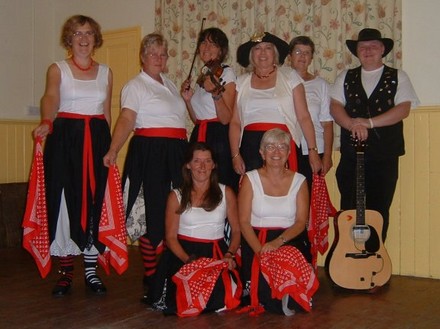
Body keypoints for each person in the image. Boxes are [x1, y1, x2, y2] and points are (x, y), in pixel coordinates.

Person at [103, 33, 188, 302]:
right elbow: (127, 119)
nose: (158, 58)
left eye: (163, 54)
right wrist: (113, 150)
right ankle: (152, 276)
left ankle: (166, 270)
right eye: (153, 53)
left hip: (176, 153)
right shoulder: (135, 86)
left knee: (175, 211)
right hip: (151, 153)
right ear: (142, 56)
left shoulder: (171, 84)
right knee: (151, 214)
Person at [32, 15, 113, 296]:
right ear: (69, 38)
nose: (83, 38)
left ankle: (91, 270)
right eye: (77, 33)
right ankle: (66, 272)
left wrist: (112, 149)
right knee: (65, 202)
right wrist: (46, 120)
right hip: (65, 140)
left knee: (94, 201)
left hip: (98, 139)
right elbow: (51, 97)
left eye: (89, 33)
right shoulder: (58, 69)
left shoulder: (106, 72)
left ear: (95, 38)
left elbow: (106, 113)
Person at [330, 28, 420, 241]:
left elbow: (403, 109)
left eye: (373, 46)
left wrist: (369, 123)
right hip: (351, 155)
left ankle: (374, 259)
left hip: (384, 155)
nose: (367, 50)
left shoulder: (398, 76)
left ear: (382, 50)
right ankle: (347, 259)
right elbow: (335, 106)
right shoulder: (345, 76)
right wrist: (352, 124)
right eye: (363, 47)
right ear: (357, 52)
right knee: (350, 209)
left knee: (379, 209)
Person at [148, 142, 241, 316]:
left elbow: (236, 231)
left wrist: (229, 254)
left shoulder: (226, 192)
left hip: (216, 254)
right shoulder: (176, 195)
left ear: (213, 165)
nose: (202, 166)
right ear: (188, 165)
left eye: (207, 161)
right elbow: (170, 238)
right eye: (197, 161)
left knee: (219, 300)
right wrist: (189, 261)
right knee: (181, 300)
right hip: (183, 255)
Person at [238, 128, 319, 316]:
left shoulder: (300, 180)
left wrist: (276, 243)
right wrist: (261, 252)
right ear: (261, 152)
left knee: (293, 301)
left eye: (282, 147)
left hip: (288, 240)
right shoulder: (250, 179)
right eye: (270, 147)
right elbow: (243, 222)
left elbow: (300, 222)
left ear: (289, 153)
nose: (276, 152)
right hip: (256, 241)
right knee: (266, 298)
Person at [230, 32, 322, 177]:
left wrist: (312, 151)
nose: (263, 53)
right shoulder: (241, 82)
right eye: (257, 48)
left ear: (275, 53)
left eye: (268, 48)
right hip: (251, 148)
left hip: (283, 144)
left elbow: (304, 117)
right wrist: (235, 155)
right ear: (251, 55)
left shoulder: (291, 77)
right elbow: (235, 122)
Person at [181, 27, 239, 192]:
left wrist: (215, 92)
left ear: (221, 51)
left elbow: (226, 118)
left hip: (219, 136)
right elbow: (197, 119)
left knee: (218, 185)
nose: (206, 47)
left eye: (212, 44)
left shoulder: (226, 73)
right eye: (204, 42)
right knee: (197, 186)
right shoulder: (204, 76)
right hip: (200, 133)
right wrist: (187, 101)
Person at [289, 36, 334, 189]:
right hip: (287, 148)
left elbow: (327, 124)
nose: (302, 56)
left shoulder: (321, 85)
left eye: (307, 53)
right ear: (290, 56)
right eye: (298, 52)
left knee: (311, 197)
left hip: (315, 149)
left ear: (311, 58)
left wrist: (327, 156)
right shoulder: (281, 81)